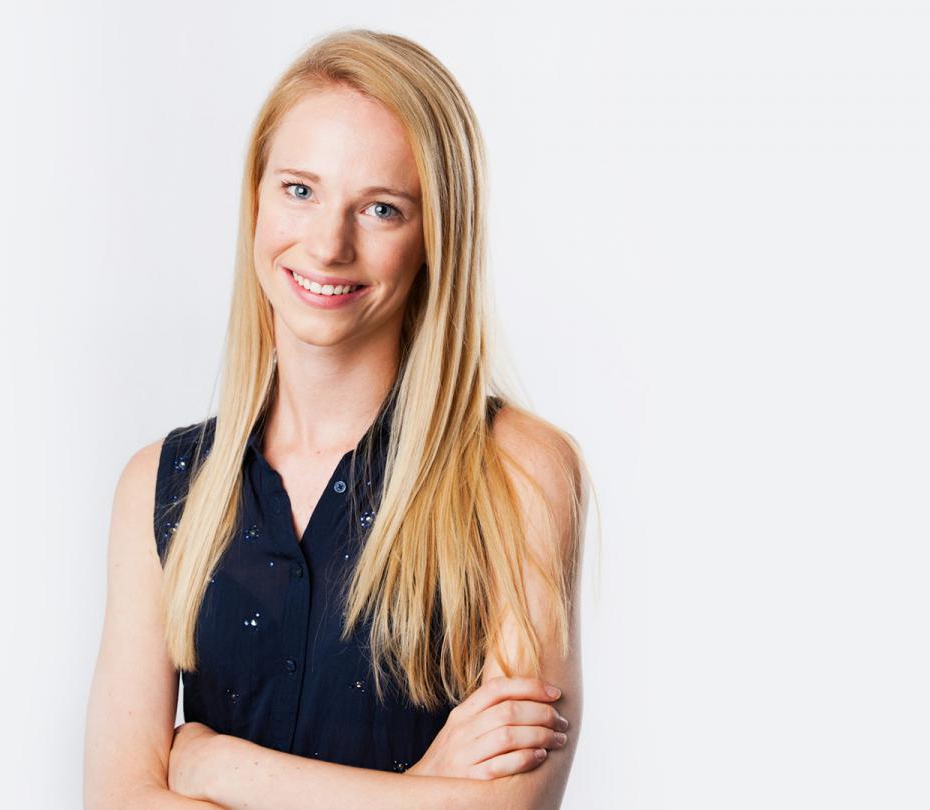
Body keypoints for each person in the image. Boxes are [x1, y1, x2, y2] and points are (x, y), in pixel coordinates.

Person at [84, 28, 592, 810]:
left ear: (435, 238)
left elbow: (505, 808)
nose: (327, 244)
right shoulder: (160, 486)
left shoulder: (518, 471)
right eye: (299, 190)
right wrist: (423, 791)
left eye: (382, 208)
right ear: (255, 200)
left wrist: (216, 766)